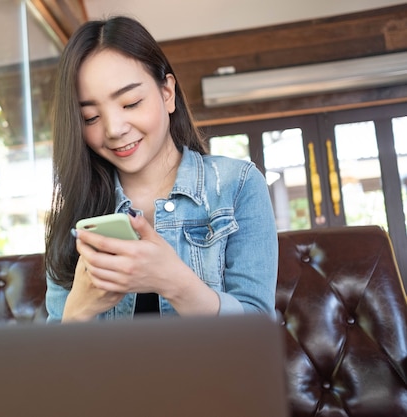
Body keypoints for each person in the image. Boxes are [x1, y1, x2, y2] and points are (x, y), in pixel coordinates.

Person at [44, 15, 278, 323]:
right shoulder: (76, 212)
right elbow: (57, 367)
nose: (114, 129)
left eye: (130, 103)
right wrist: (78, 311)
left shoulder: (238, 185)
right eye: (90, 117)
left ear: (167, 93)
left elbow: (256, 332)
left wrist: (174, 283)